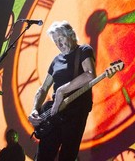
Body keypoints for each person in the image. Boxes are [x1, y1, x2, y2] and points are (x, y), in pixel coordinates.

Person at [28, 20, 96, 161]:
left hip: (75, 112)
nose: (59, 44)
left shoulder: (83, 50)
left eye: (61, 38)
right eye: (55, 41)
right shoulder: (56, 61)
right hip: (54, 114)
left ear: (70, 35)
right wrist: (34, 109)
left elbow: (90, 74)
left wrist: (61, 91)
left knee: (67, 156)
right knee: (43, 156)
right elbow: (43, 88)